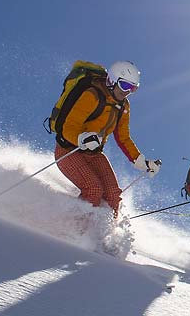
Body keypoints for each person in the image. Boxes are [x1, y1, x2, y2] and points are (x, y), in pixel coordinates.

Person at [50, 59, 162, 217]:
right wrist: (82, 139)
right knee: (94, 189)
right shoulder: (92, 95)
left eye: (132, 88)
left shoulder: (123, 106)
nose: (127, 91)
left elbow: (123, 138)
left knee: (113, 196)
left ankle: (106, 237)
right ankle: (74, 233)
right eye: (125, 85)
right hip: (69, 149)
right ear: (113, 80)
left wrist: (141, 161)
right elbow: (68, 127)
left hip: (94, 154)